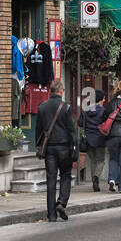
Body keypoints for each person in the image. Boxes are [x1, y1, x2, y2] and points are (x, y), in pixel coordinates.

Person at [35, 80, 78, 220]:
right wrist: (74, 147)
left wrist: (38, 146)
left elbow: (38, 130)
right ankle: (62, 202)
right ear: (60, 91)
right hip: (64, 147)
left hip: (50, 148)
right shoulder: (65, 107)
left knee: (51, 179)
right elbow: (72, 130)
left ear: (50, 91)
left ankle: (51, 214)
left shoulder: (42, 107)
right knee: (65, 175)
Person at [78, 89, 108, 192]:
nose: (104, 100)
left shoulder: (85, 110)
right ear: (101, 100)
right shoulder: (103, 111)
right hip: (100, 139)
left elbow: (80, 123)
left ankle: (94, 181)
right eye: (104, 98)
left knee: (93, 160)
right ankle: (96, 177)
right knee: (100, 160)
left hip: (88, 140)